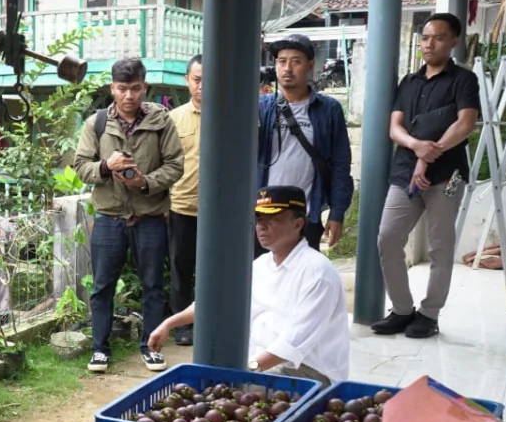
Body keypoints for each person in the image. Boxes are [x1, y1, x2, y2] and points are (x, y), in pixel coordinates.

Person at [149, 185, 349, 386]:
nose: (262, 226)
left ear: (298, 223)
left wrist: (247, 370)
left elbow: (293, 344)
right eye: (259, 219)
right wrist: (169, 323)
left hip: (307, 373)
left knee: (221, 395)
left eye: (273, 219)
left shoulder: (317, 273)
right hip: (264, 365)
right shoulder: (261, 264)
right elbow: (219, 302)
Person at [372, 13, 481, 339]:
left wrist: (430, 153)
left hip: (447, 176)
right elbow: (395, 127)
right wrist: (416, 146)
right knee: (388, 239)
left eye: (438, 38)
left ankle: (429, 314)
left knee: (440, 247)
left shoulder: (463, 80)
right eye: (425, 37)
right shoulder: (409, 82)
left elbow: (465, 124)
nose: (429, 44)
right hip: (405, 172)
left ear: (454, 42)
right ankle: (402, 309)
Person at [73, 57, 184, 374]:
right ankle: (99, 349)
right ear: (112, 89)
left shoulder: (161, 121)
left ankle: (150, 347)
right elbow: (82, 166)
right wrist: (107, 167)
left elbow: (176, 165)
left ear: (144, 87)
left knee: (153, 286)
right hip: (109, 218)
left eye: (135, 88)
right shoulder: (96, 123)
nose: (129, 96)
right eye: (122, 88)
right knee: (102, 286)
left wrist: (145, 183)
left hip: (150, 217)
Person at [256, 33, 354, 257]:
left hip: (305, 216)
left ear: (310, 65)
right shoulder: (261, 107)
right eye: (281, 61)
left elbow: (340, 164)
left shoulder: (328, 109)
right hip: (263, 213)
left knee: (302, 282)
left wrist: (337, 213)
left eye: (296, 61)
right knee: (263, 284)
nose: (287, 68)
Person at [167, 54, 202, 347]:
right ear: (187, 81)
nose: (202, 86)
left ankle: (215, 318)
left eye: (208, 80)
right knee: (181, 269)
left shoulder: (231, 114)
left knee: (216, 270)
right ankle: (183, 325)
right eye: (197, 80)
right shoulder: (174, 118)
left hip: (221, 213)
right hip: (181, 206)